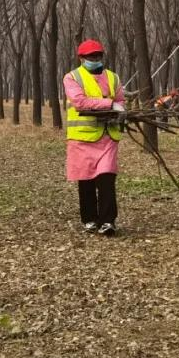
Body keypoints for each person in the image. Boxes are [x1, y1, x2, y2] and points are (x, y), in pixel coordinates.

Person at [64, 40, 125, 236]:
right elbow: (80, 102)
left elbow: (120, 100)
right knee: (86, 179)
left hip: (107, 135)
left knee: (107, 176)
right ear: (81, 58)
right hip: (82, 138)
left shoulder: (113, 77)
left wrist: (120, 109)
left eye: (98, 55)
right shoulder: (72, 77)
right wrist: (109, 104)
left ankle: (108, 221)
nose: (95, 59)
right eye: (91, 56)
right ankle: (89, 218)